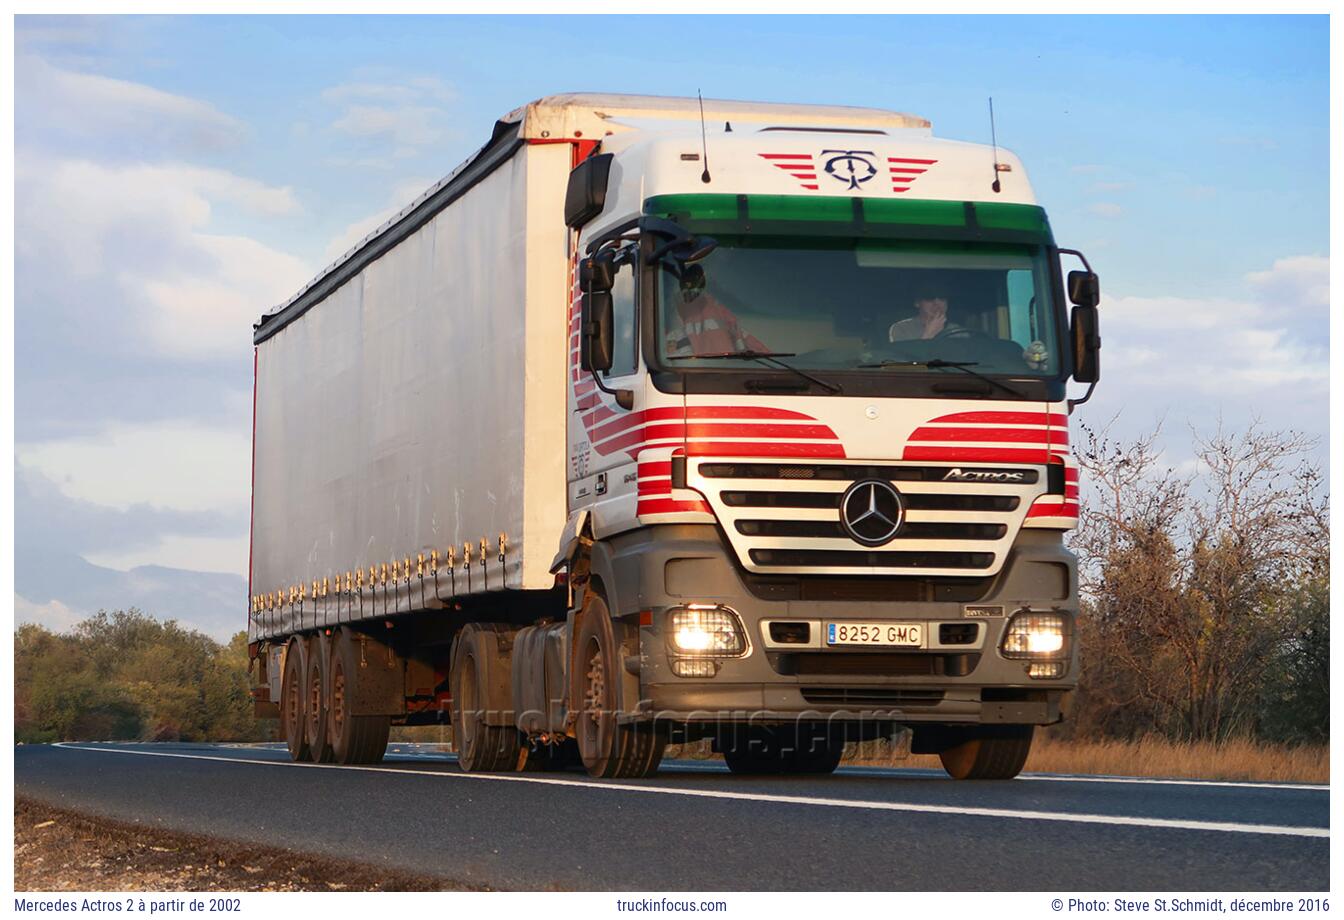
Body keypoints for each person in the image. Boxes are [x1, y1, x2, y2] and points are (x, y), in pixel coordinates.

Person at [665, 264, 768, 356]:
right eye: (687, 292)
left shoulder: (667, 315)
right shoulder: (666, 318)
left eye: (694, 291)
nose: (691, 296)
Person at [888, 283, 960, 342]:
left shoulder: (957, 331)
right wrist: (929, 334)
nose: (937, 304)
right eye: (930, 299)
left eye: (942, 299)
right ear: (917, 303)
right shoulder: (901, 328)